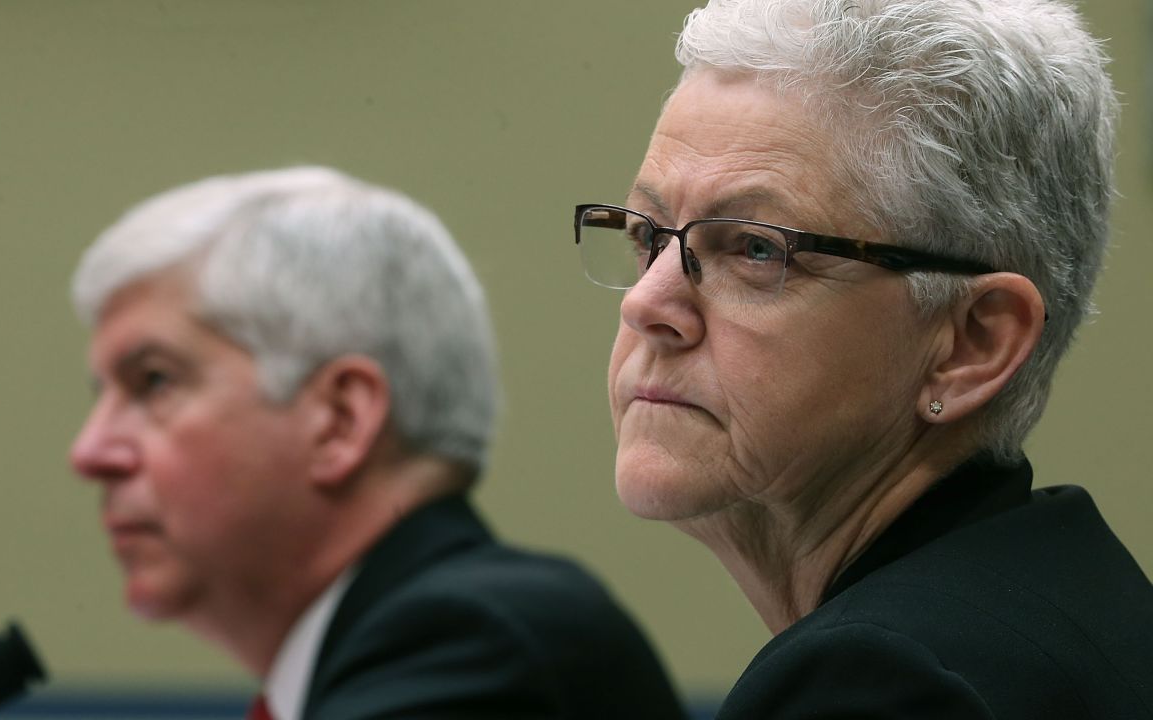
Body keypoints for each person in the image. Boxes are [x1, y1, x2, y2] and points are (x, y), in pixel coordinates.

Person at [573, 0, 1153, 717]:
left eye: (756, 248)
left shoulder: (881, 684)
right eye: (647, 236)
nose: (645, 305)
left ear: (972, 344)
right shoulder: (1062, 600)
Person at [69, 166, 686, 720]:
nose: (91, 452)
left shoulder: (471, 646)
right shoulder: (389, 648)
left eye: (153, 382)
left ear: (340, 419)